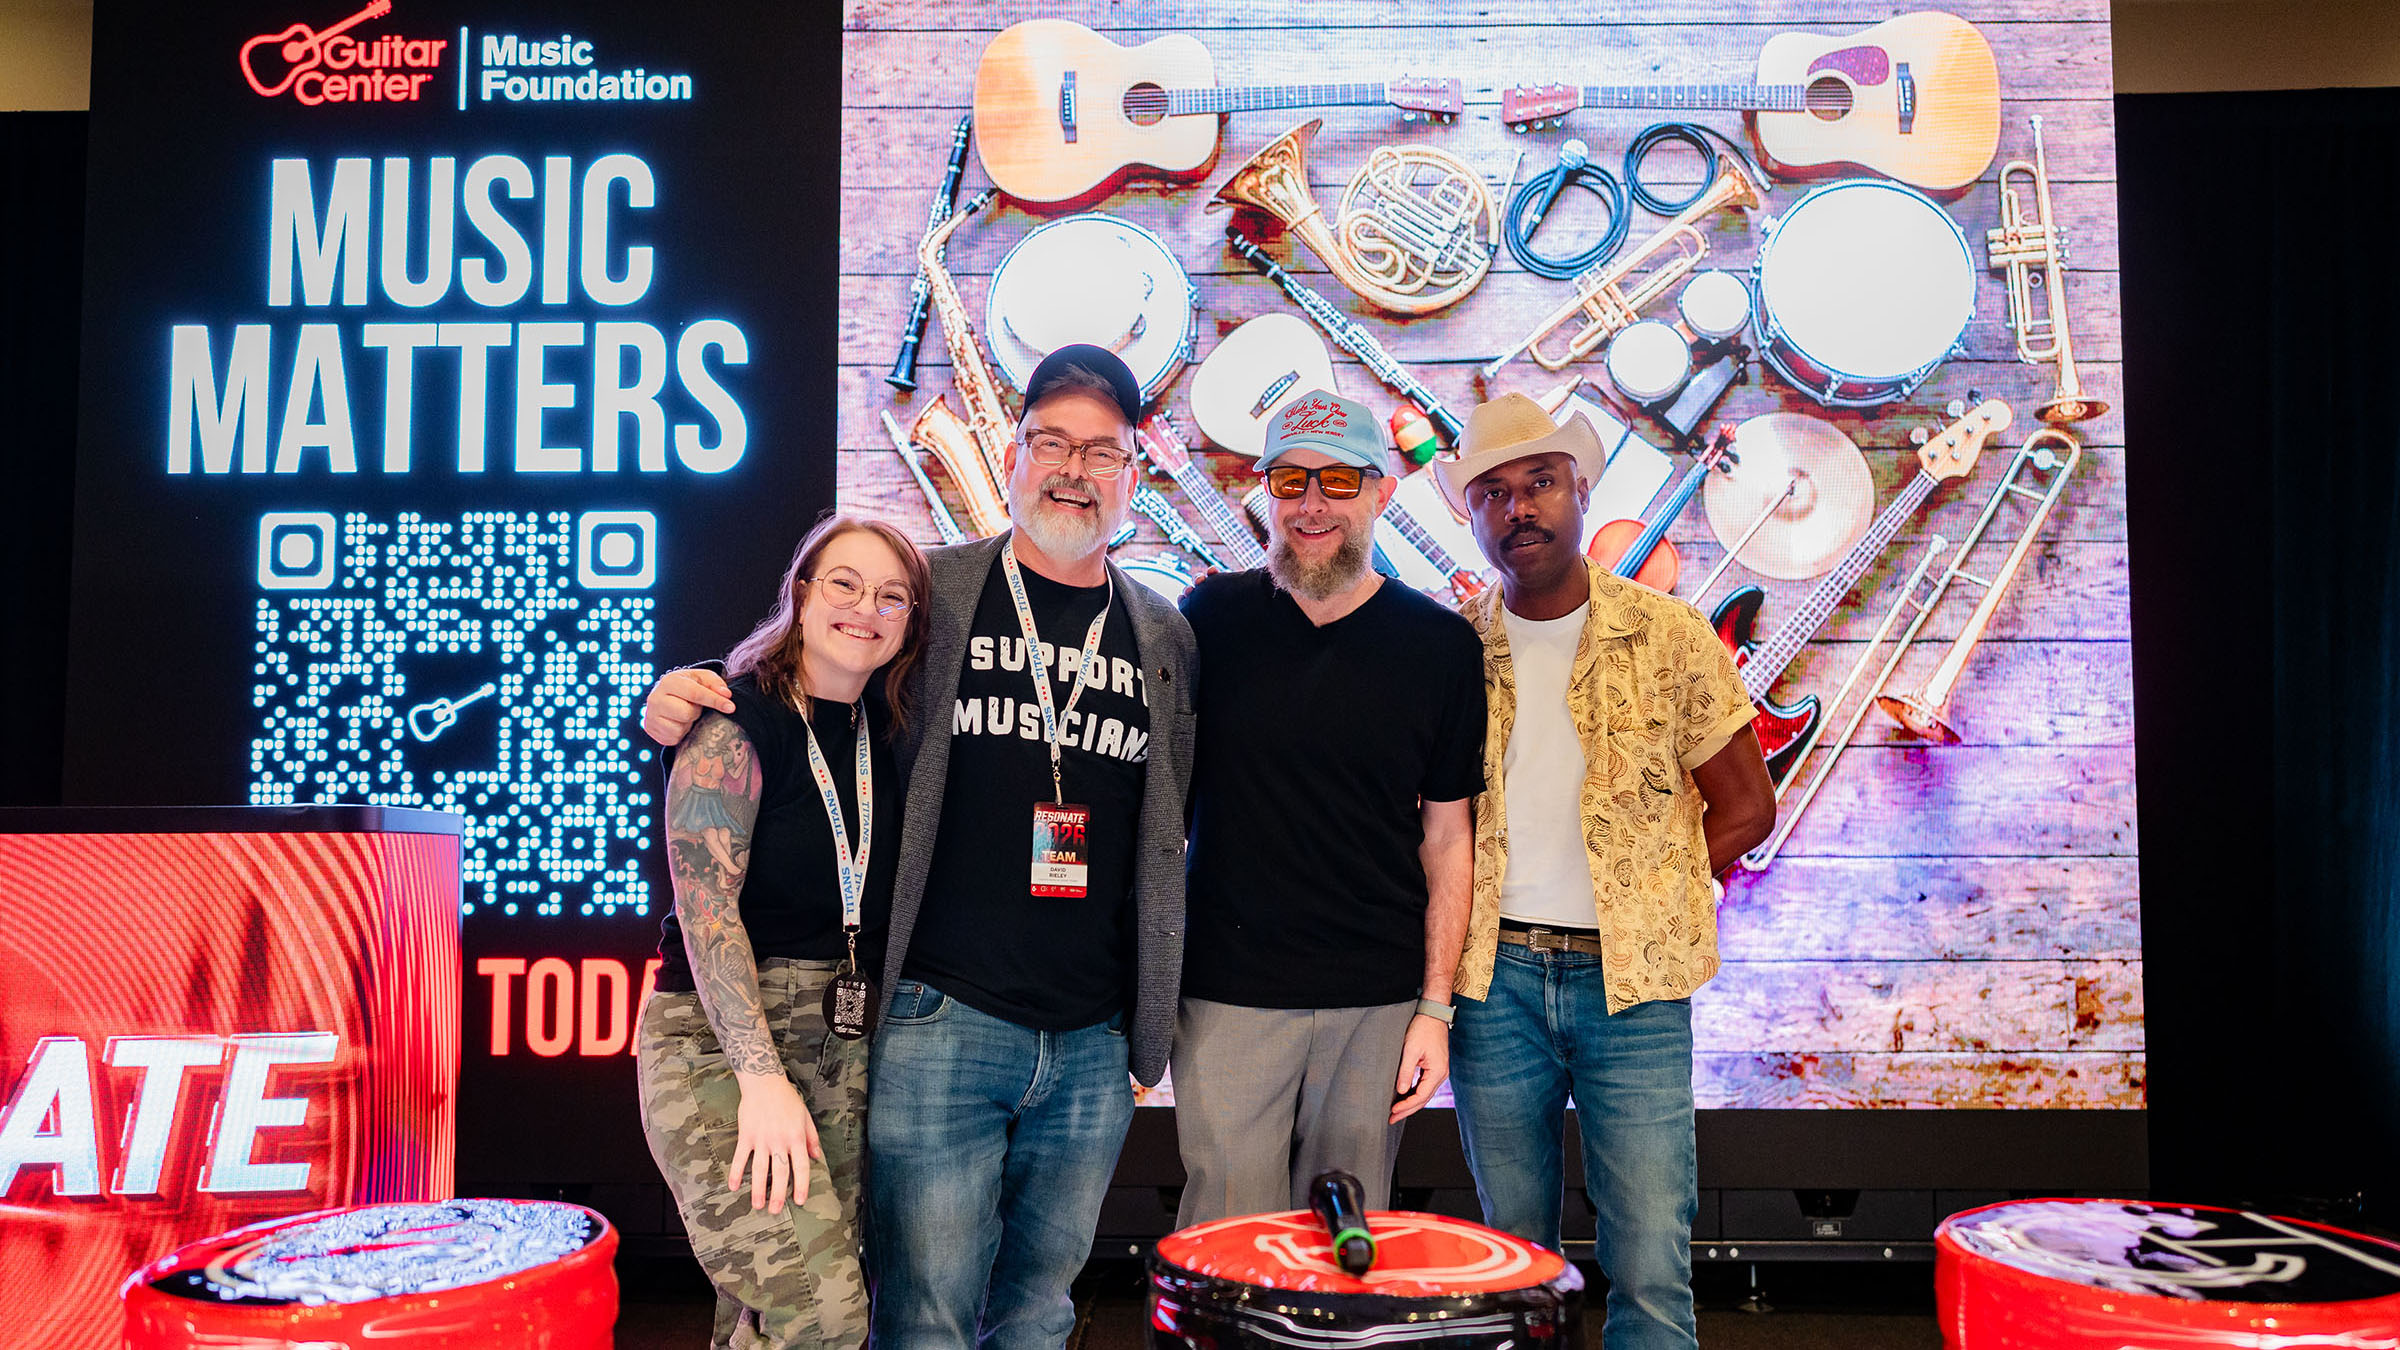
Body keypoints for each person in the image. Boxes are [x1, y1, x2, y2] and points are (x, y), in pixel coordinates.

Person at [641, 345, 1198, 1349]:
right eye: (1050, 443)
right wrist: (687, 686)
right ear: (1014, 451)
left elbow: (1166, 834)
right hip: (940, 1018)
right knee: (917, 1315)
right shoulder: (932, 594)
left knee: (1039, 1312)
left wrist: (1141, 1035)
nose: (1073, 469)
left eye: (1102, 452)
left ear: (1135, 469)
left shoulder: (1163, 633)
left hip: (1090, 1042)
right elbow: (802, 670)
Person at [1433, 393, 1778, 1350]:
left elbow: (1749, 806)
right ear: (1473, 516)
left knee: (1652, 1267)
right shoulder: (1453, 650)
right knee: (1513, 1265)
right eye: (1493, 494)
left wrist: (1652, 884)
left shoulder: (1669, 636)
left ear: (1581, 492)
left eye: (1540, 483)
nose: (1520, 509)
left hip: (1634, 987)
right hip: (1492, 987)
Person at [1170, 389, 1484, 1226]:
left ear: (1382, 490)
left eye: (1339, 480)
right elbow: (1159, 814)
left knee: (1346, 1245)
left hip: (1375, 1004)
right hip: (1226, 997)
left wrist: (1434, 1008)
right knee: (1226, 1247)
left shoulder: (1441, 646)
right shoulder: (1206, 622)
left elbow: (1449, 839)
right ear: (1263, 491)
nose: (1313, 504)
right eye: (1291, 480)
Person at [636, 512, 930, 1349]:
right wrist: (760, 1079)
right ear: (801, 592)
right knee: (824, 1311)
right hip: (720, 1045)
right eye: (844, 583)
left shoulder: (888, 730)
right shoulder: (732, 719)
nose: (864, 608)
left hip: (842, 1040)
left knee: (763, 1312)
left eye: (891, 596)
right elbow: (705, 909)